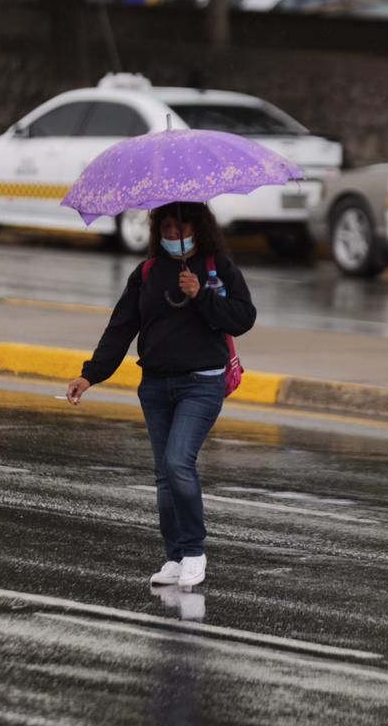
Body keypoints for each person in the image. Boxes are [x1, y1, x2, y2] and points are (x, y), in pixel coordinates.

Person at [67, 202, 256, 589]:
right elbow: (121, 327)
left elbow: (243, 317)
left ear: (198, 228)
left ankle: (194, 550)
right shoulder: (148, 272)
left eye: (180, 228)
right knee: (164, 475)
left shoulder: (216, 266)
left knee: (178, 463)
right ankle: (174, 556)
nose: (172, 235)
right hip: (155, 385)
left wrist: (201, 294)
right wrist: (90, 376)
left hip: (201, 382)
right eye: (165, 228)